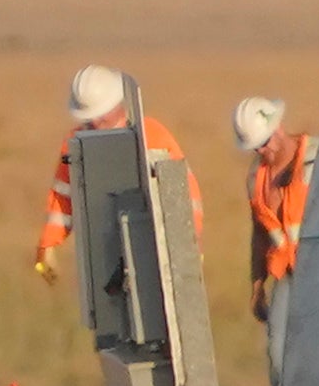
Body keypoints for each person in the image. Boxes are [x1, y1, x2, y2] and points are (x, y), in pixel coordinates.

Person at [31, 65, 197, 280]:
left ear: (117, 103)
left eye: (100, 115)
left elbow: (186, 196)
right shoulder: (75, 143)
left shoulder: (153, 136)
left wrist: (189, 250)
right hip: (101, 255)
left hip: (155, 252)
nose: (94, 122)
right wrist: (48, 245)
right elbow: (62, 197)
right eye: (89, 116)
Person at [234, 96, 316, 386]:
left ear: (278, 126)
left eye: (265, 141)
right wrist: (257, 287)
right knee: (278, 356)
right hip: (286, 275)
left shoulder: (317, 160)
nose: (261, 150)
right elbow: (259, 233)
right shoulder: (256, 177)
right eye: (255, 146)